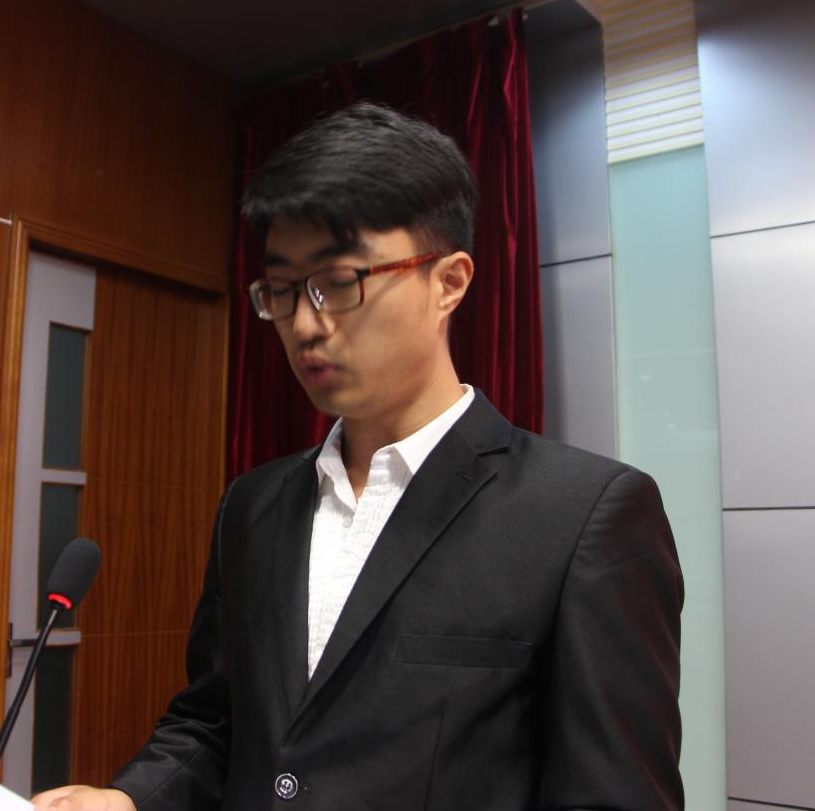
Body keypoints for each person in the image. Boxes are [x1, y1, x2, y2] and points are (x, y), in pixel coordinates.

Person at [33, 102, 684, 810]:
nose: (305, 324)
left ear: (449, 281)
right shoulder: (252, 504)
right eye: (282, 291)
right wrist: (128, 799)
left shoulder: (582, 515)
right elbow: (216, 721)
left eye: (339, 282)